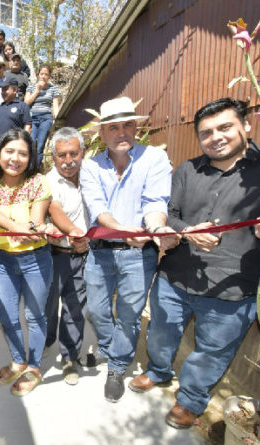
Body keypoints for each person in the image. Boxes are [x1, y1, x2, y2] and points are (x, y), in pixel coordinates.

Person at [128, 98, 260, 428]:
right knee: (160, 334)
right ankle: (158, 371)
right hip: (176, 276)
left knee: (212, 351)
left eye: (225, 127)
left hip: (234, 287)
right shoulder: (187, 170)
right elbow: (170, 214)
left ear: (245, 126)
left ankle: (191, 399)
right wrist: (186, 231)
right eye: (206, 132)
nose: (216, 137)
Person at [80, 96, 175, 403]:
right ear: (102, 133)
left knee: (130, 313)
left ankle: (117, 366)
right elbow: (97, 208)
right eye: (113, 127)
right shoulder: (90, 167)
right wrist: (122, 230)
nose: (122, 132)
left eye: (128, 125)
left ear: (136, 127)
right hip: (102, 249)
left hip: (140, 253)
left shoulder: (154, 159)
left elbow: (155, 203)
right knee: (95, 309)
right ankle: (109, 348)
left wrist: (155, 229)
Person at [0, 129, 57, 396]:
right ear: (0, 152)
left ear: (30, 157)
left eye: (23, 153)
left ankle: (33, 367)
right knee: (8, 316)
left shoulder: (39, 181)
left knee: (35, 316)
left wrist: (32, 227)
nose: (15, 158)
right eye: (10, 151)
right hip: (4, 261)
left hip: (36, 259)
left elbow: (36, 217)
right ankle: (18, 360)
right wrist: (18, 229)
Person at [43, 127, 91, 385]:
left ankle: (70, 357)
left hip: (85, 255)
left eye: (74, 153)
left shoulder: (92, 176)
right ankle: (47, 339)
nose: (69, 160)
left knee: (75, 307)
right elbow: (55, 209)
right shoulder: (49, 181)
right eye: (62, 155)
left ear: (82, 152)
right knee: (49, 306)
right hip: (55, 255)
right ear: (53, 157)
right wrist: (74, 232)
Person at [25, 64, 61, 164]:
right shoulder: (31, 87)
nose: (43, 76)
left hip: (46, 118)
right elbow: (26, 103)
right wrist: (37, 90)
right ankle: (28, 169)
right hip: (33, 118)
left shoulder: (53, 89)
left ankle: (36, 170)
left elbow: (55, 106)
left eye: (46, 74)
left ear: (49, 76)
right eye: (41, 74)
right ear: (38, 75)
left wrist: (57, 120)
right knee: (30, 143)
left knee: (40, 145)